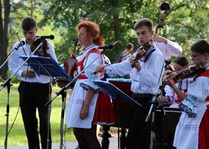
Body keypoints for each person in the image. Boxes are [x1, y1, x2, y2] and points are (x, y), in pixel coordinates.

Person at [95, 18, 165, 149]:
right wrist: (106, 68)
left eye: (143, 33)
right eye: (138, 34)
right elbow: (123, 67)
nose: (140, 37)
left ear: (151, 34)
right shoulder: (140, 52)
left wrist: (139, 69)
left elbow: (153, 81)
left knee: (132, 141)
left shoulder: (157, 55)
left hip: (146, 101)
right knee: (141, 142)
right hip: (134, 99)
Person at [164, 39, 209, 149]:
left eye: (194, 56)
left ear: (205, 55)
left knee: (192, 144)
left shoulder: (204, 78)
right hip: (205, 110)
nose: (192, 60)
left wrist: (172, 85)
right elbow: (190, 77)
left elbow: (188, 99)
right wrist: (175, 74)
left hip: (199, 113)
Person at [8, 17, 57, 149]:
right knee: (29, 122)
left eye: (31, 33)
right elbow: (12, 66)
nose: (28, 36)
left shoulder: (46, 45)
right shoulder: (18, 46)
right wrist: (22, 73)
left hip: (43, 88)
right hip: (26, 87)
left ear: (36, 30)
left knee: (45, 122)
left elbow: (54, 67)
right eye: (25, 33)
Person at [65, 20, 116, 149]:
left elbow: (94, 80)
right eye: (79, 34)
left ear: (91, 36)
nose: (79, 37)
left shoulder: (94, 54)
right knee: (79, 132)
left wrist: (86, 105)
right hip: (79, 92)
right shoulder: (85, 53)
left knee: (87, 134)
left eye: (82, 34)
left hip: (88, 95)